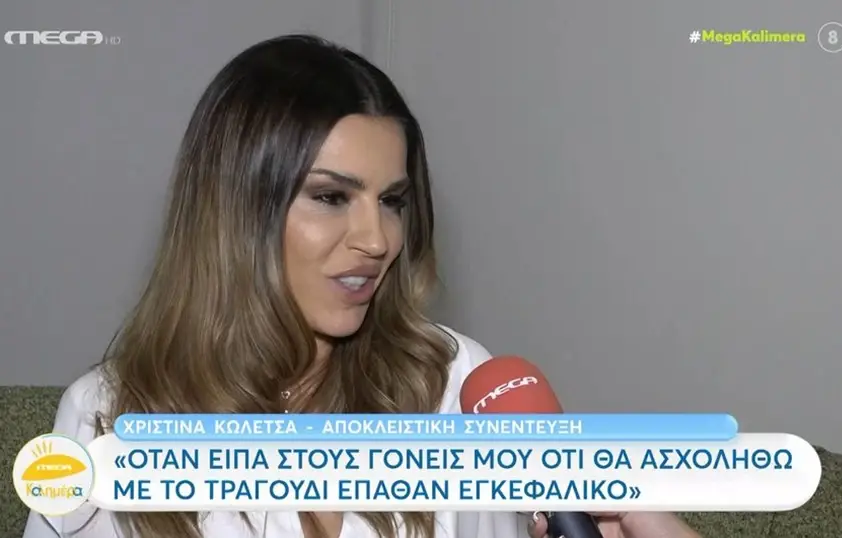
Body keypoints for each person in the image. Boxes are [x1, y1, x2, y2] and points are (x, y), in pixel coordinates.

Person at [22, 34, 702, 538]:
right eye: (330, 197)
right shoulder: (108, 415)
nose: (377, 240)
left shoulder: (457, 384)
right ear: (236, 212)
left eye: (393, 201)